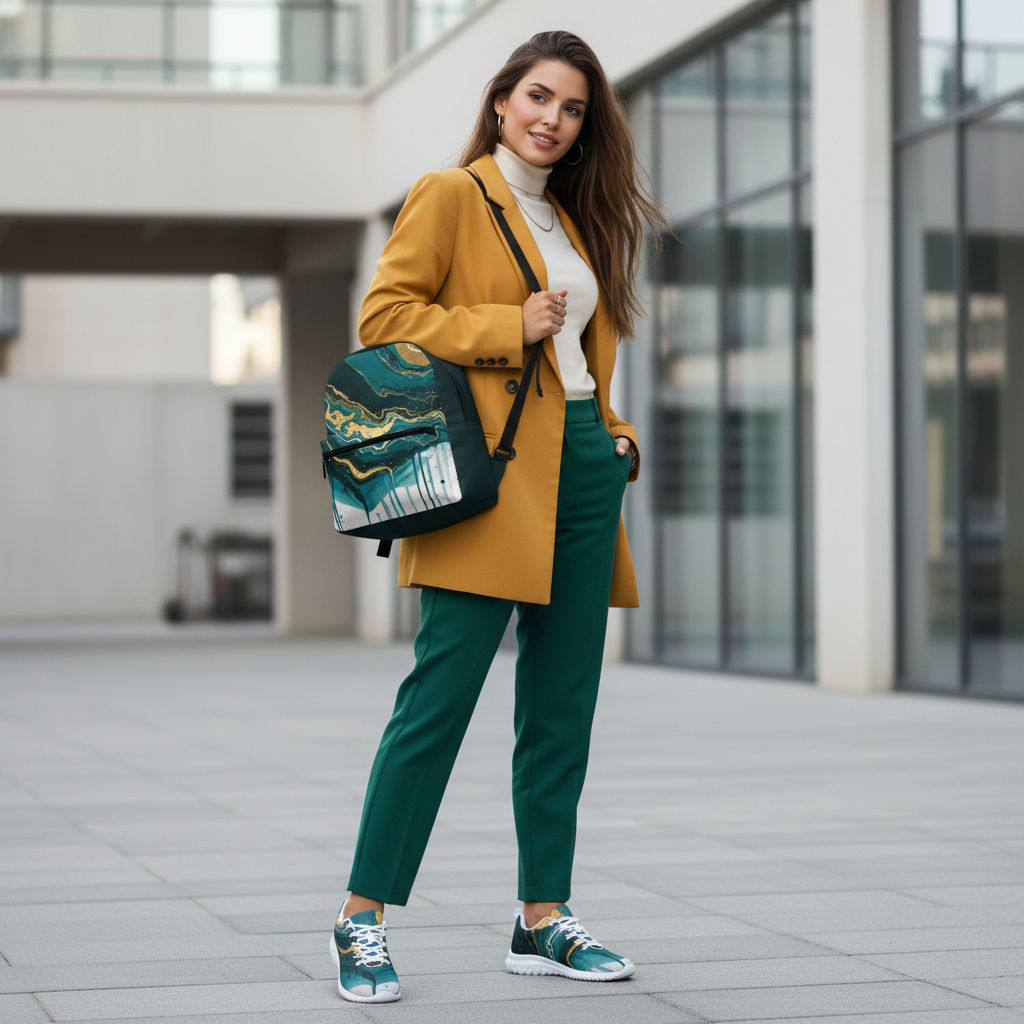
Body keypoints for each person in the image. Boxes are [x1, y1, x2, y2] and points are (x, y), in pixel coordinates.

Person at [330, 30, 663, 1004]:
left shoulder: (575, 219)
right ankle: (361, 917)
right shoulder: (451, 194)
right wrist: (500, 324)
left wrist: (619, 436)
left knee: (561, 712)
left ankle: (541, 917)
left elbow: (586, 367)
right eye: (539, 98)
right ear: (500, 100)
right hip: (491, 480)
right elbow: (384, 318)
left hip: (585, 475)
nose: (552, 120)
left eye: (571, 109)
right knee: (436, 707)